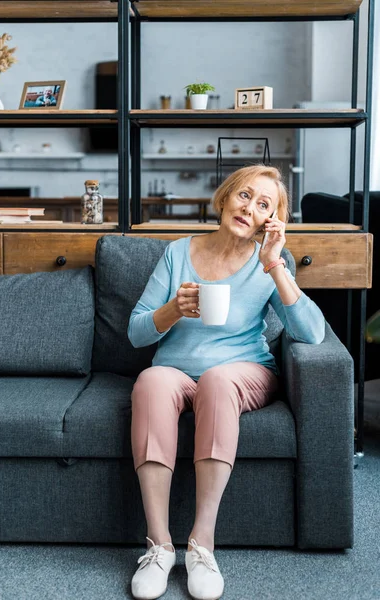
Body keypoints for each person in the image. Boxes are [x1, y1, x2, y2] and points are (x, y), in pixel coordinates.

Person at [127, 164, 325, 600]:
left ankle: (201, 546)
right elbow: (137, 331)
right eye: (244, 195)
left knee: (217, 380)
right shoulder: (178, 252)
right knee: (151, 382)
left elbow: (312, 333)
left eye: (263, 205)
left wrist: (275, 264)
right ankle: (159, 547)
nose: (249, 207)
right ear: (224, 198)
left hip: (242, 371)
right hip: (175, 370)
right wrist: (173, 309)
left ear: (270, 220)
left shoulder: (268, 262)